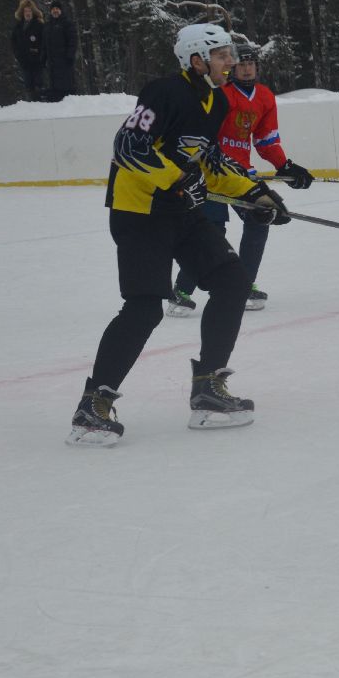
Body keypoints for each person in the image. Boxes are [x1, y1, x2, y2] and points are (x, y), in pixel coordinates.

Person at [67, 22, 292, 447]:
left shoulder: (214, 102)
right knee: (145, 308)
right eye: (222, 55)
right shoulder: (164, 91)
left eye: (231, 55)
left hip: (181, 213)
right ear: (197, 59)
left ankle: (208, 388)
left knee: (232, 282)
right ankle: (92, 406)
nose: (231, 62)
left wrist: (256, 194)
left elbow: (209, 165)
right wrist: (174, 180)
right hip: (140, 214)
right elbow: (129, 147)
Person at [167, 41, 313, 316]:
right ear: (232, 67)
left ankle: (242, 285)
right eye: (241, 64)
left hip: (240, 175)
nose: (246, 69)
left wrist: (285, 165)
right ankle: (181, 290)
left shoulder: (265, 97)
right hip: (209, 172)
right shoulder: (218, 93)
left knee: (261, 219)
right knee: (211, 232)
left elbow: (267, 140)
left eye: (250, 64)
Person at [10, 0, 46, 101]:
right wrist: (18, 55)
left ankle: (40, 101)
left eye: (29, 11)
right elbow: (13, 42)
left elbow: (44, 42)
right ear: (22, 13)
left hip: (37, 60)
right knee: (28, 83)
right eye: (26, 11)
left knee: (38, 82)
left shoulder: (39, 25)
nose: (28, 13)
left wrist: (39, 53)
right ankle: (30, 104)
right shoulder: (18, 27)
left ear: (33, 12)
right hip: (24, 60)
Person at [43, 0, 78, 102]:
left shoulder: (67, 23)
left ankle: (69, 99)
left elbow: (73, 40)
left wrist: (70, 55)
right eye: (53, 9)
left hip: (64, 59)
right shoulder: (48, 25)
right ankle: (56, 99)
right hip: (52, 60)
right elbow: (44, 43)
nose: (55, 11)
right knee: (54, 82)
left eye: (57, 9)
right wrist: (43, 57)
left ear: (61, 10)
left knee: (66, 81)